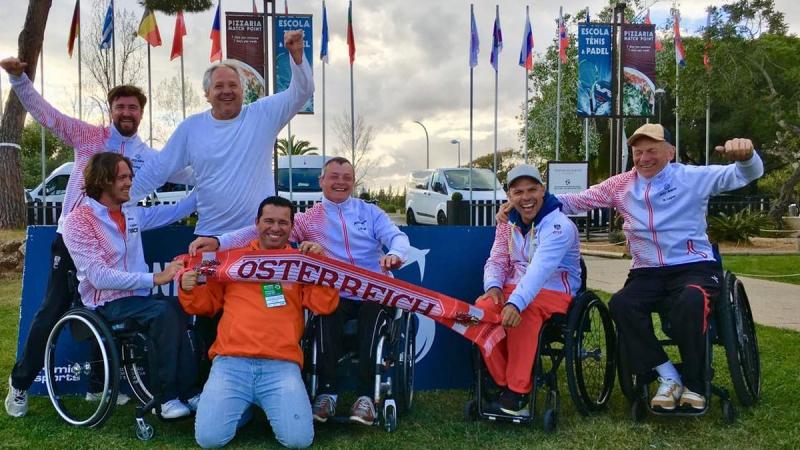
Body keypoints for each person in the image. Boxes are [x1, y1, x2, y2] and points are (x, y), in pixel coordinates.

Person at [498, 124, 764, 410]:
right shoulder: (620, 184)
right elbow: (575, 201)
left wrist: (747, 156)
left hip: (693, 265)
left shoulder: (691, 177)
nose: (644, 158)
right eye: (638, 152)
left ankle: (696, 384)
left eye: (652, 150)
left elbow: (744, 174)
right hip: (646, 269)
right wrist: (520, 204)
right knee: (622, 304)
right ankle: (668, 376)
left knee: (691, 299)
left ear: (670, 152)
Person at [1, 57, 193, 418]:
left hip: (117, 235)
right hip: (73, 236)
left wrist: (221, 177)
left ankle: (97, 387)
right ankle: (21, 384)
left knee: (105, 305)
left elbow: (186, 175)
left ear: (140, 114)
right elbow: (48, 115)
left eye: (132, 107)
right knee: (53, 311)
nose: (126, 111)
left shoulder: (146, 156)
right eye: (119, 106)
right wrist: (18, 79)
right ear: (111, 110)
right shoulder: (88, 135)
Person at [189, 157, 410, 426]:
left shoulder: (370, 212)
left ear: (353, 182)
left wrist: (395, 254)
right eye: (334, 176)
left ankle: (366, 396)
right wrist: (218, 241)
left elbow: (396, 237)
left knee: (372, 317)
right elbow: (257, 230)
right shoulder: (308, 219)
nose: (340, 182)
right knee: (325, 314)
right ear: (322, 181)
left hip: (372, 290)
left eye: (346, 177)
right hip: (335, 291)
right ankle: (327, 392)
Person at [179, 196, 339, 449]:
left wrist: (321, 265)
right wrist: (188, 289)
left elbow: (324, 305)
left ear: (291, 226)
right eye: (269, 221)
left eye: (283, 223)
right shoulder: (230, 259)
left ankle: (254, 406)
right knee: (208, 440)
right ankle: (244, 408)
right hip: (231, 364)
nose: (275, 228)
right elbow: (205, 305)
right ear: (257, 223)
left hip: (281, 366)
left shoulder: (300, 261)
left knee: (298, 441)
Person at [127, 29, 313, 237]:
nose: (227, 91)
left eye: (233, 85)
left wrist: (297, 56)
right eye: (219, 86)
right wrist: (120, 201)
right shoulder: (191, 128)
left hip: (255, 237)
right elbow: (158, 170)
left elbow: (302, 92)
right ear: (207, 94)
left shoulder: (263, 114)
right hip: (210, 236)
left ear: (242, 91)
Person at [60, 152, 200, 419]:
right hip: (105, 304)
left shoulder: (131, 212)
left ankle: (190, 392)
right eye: (122, 178)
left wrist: (211, 182)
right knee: (162, 313)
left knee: (177, 307)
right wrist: (154, 278)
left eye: (129, 177)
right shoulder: (78, 221)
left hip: (137, 300)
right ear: (103, 181)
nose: (129, 183)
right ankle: (167, 398)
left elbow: (177, 210)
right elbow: (99, 276)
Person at [477, 165, 581, 416]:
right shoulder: (507, 222)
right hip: (515, 286)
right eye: (518, 192)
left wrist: (516, 302)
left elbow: (540, 270)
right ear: (509, 197)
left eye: (532, 190)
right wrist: (493, 286)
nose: (526, 198)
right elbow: (498, 259)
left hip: (555, 287)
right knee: (481, 310)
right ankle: (502, 383)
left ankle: (518, 393)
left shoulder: (559, 225)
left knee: (524, 312)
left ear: (543, 191)